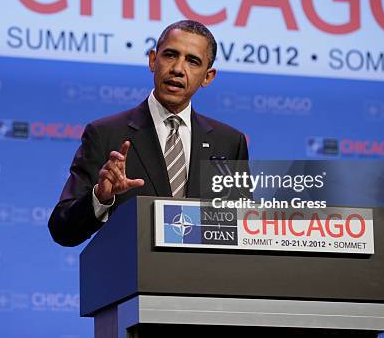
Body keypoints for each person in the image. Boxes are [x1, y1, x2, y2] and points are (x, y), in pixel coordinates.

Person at [48, 20, 249, 246]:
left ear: (207, 76)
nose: (178, 69)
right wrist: (100, 198)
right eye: (170, 55)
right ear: (153, 60)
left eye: (192, 61)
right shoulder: (106, 134)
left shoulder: (229, 142)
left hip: (203, 278)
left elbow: (242, 230)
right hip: (134, 277)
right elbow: (62, 229)